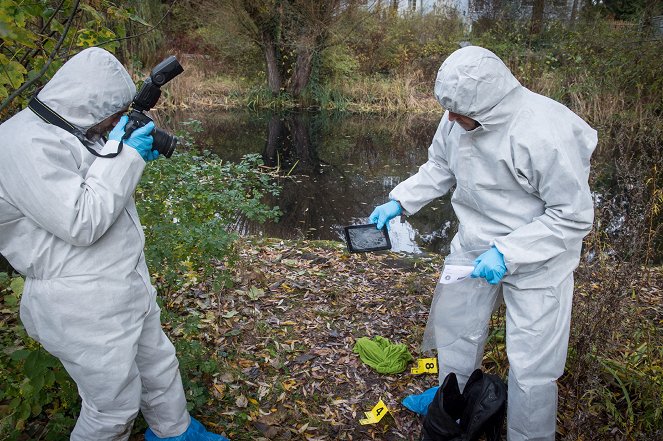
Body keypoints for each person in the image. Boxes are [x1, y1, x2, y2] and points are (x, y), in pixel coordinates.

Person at [0, 48, 228, 441]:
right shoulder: (20, 145)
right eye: (115, 113)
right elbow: (81, 220)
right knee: (112, 407)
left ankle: (174, 433)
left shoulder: (69, 128)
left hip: (121, 283)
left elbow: (96, 185)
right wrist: (127, 158)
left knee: (158, 366)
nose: (116, 122)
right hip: (81, 303)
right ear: (91, 103)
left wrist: (125, 156)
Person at [370, 45, 596, 440]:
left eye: (460, 114)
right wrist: (400, 200)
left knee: (532, 366)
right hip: (474, 246)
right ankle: (452, 406)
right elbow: (440, 166)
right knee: (457, 333)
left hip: (539, 258)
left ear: (490, 104)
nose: (452, 120)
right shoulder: (458, 116)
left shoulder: (545, 131)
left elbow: (571, 215)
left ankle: (528, 435)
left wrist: (509, 252)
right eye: (449, 111)